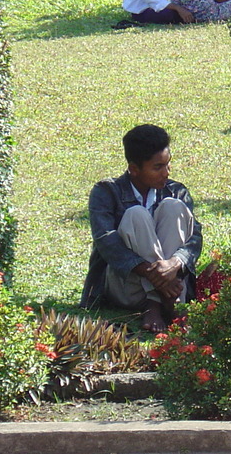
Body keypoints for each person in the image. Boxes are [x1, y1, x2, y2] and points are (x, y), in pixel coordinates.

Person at [81, 124, 203, 332]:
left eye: (167, 164)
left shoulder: (176, 192)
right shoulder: (106, 192)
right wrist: (156, 276)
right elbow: (106, 241)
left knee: (173, 208)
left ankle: (162, 302)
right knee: (136, 214)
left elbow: (195, 237)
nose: (166, 173)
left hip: (174, 284)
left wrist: (174, 264)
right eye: (158, 167)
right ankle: (156, 305)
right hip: (127, 288)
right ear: (134, 169)